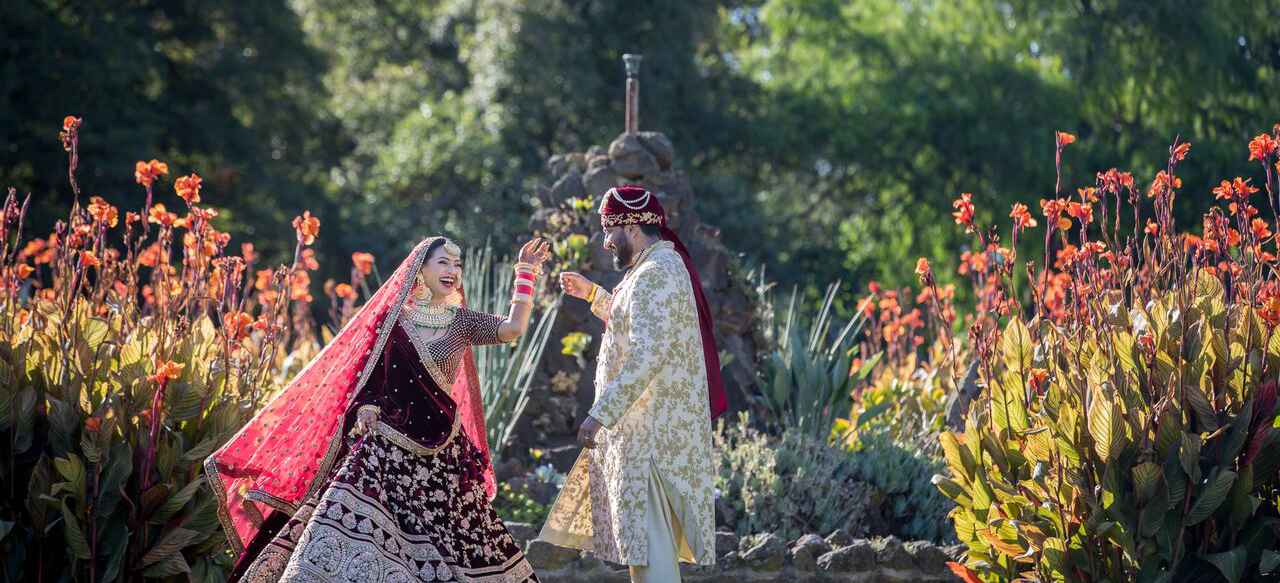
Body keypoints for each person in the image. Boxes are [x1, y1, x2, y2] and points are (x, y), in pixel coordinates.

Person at [205, 236, 550, 583]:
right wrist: (366, 406)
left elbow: (513, 329)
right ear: (420, 269)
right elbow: (369, 377)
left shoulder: (461, 321)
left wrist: (526, 273)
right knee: (337, 526)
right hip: (385, 445)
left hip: (444, 455)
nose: (452, 271)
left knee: (462, 546)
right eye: (443, 262)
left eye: (457, 265)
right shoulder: (394, 322)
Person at [539, 185, 728, 582]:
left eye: (609, 229)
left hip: (653, 440)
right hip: (646, 435)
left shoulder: (656, 273)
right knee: (644, 554)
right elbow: (638, 325)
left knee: (652, 556)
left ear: (632, 226)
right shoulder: (651, 270)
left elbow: (647, 353)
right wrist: (593, 294)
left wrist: (600, 414)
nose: (606, 241)